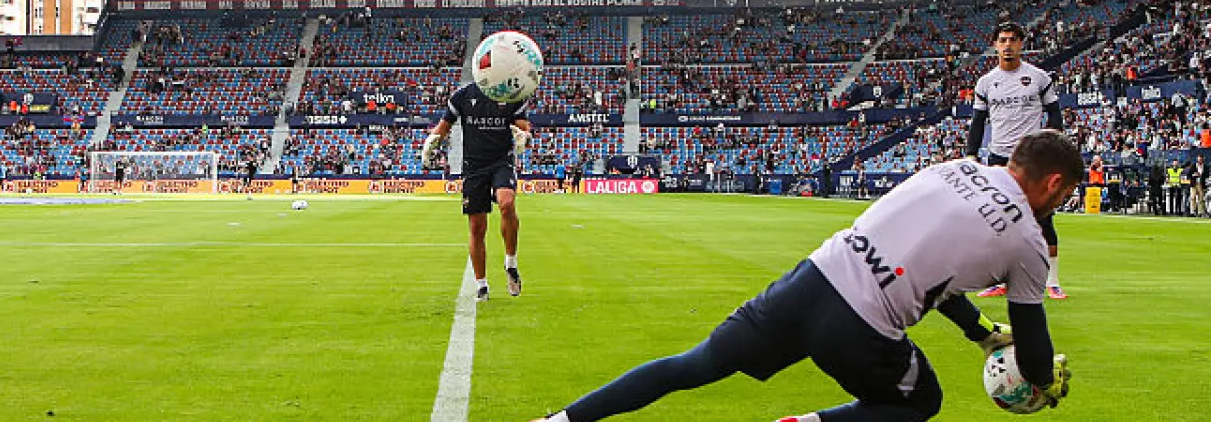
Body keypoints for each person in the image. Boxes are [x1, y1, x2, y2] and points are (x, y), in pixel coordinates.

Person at [530, 131, 1081, 422]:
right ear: (1054, 184)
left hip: (811, 280)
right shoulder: (1029, 241)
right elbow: (1032, 358)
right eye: (1066, 194)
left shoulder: (955, 168)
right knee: (919, 403)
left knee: (693, 365)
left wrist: (980, 332)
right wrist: (1044, 380)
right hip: (862, 325)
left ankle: (559, 421)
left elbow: (934, 271)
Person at [966, 22, 1068, 300]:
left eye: (1013, 39)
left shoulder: (1037, 77)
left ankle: (1053, 281)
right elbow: (977, 122)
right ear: (996, 45)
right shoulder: (986, 83)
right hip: (999, 157)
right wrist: (971, 154)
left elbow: (1055, 113)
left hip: (1032, 157)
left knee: (1044, 220)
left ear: (1021, 43)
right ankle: (1002, 280)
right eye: (1002, 40)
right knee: (999, 221)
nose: (1008, 45)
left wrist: (1049, 143)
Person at [423, 81, 533, 301]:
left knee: (507, 203)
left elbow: (524, 127)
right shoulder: (462, 96)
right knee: (476, 226)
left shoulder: (511, 94)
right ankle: (481, 285)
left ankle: (511, 263)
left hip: (502, 161)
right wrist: (431, 142)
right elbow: (444, 127)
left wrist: (525, 136)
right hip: (473, 166)